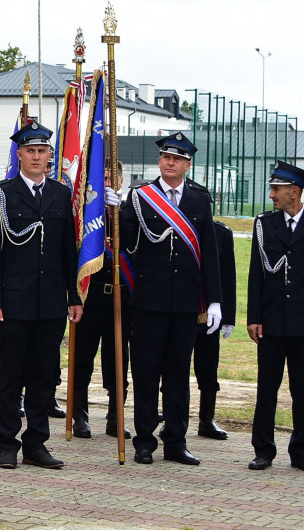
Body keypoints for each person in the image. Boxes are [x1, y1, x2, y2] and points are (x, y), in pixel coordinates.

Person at [0, 121, 82, 470]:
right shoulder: (1, 193)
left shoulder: (60, 193)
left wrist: (74, 295)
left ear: (50, 156)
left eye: (43, 151)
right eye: (30, 151)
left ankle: (36, 443)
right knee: (11, 374)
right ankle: (7, 443)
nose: (37, 156)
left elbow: (68, 250)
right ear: (19, 154)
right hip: (14, 300)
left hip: (51, 301)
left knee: (44, 374)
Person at [119, 131, 222, 466]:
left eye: (176, 159)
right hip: (149, 300)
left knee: (178, 375)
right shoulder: (139, 196)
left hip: (185, 303)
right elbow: (125, 242)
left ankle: (176, 441)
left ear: (188, 164)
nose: (169, 163)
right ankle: (144, 441)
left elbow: (210, 253)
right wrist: (111, 208)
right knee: (146, 374)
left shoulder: (199, 199)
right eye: (165, 157)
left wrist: (215, 301)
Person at [247, 161, 304, 474]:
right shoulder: (264, 223)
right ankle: (263, 450)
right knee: (266, 388)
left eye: (277, 189)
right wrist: (254, 317)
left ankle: (301, 451)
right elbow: (256, 274)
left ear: (294, 192)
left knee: (302, 389)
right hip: (270, 321)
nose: (272, 194)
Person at [72, 158, 131, 440]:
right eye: (102, 178)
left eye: (111, 178)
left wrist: (118, 211)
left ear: (120, 181)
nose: (107, 183)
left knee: (118, 360)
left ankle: (114, 417)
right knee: (82, 358)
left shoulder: (130, 211)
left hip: (120, 298)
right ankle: (79, 416)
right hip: (91, 295)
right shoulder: (84, 215)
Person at [192, 220, 237, 440]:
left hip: (210, 312)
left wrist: (229, 317)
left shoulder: (221, 233)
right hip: (181, 310)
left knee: (208, 367)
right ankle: (171, 416)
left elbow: (228, 278)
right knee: (173, 368)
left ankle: (206, 420)